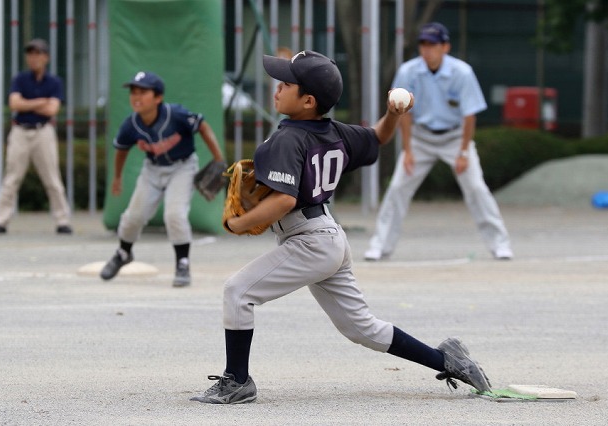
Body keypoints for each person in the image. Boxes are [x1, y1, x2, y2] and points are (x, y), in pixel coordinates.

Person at [190, 50, 492, 404]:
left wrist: (239, 223)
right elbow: (378, 137)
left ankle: (236, 381)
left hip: (309, 241)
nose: (277, 87)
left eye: (286, 83)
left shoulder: (287, 138)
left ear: (307, 100)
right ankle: (448, 360)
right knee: (362, 328)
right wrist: (393, 116)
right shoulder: (333, 132)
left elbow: (284, 201)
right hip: (326, 236)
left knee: (238, 292)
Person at [364, 22, 513, 262]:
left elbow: (469, 116)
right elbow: (404, 114)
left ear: (445, 47)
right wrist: (408, 151)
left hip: (455, 138)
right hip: (420, 138)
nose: (427, 50)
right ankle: (380, 245)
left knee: (476, 187)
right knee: (398, 188)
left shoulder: (462, 73)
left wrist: (463, 152)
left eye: (432, 44)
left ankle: (500, 244)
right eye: (423, 44)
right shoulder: (408, 71)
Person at [99, 71, 224, 287]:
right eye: (133, 92)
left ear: (158, 98)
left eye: (143, 92)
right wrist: (117, 177)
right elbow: (121, 150)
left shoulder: (176, 115)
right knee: (133, 217)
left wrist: (219, 159)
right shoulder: (131, 125)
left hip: (182, 167)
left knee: (174, 215)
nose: (136, 97)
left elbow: (202, 125)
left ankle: (182, 263)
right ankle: (123, 253)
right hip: (152, 170)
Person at [0, 38, 72, 235]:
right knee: (11, 178)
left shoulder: (54, 82)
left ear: (46, 57)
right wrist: (40, 101)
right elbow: (14, 104)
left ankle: (62, 220)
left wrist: (29, 103)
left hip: (43, 131)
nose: (34, 58)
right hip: (20, 131)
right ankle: (0, 221)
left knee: (52, 178)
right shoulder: (20, 79)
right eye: (30, 54)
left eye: (38, 53)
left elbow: (53, 109)